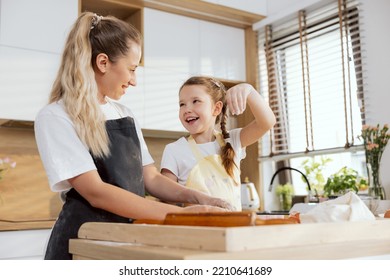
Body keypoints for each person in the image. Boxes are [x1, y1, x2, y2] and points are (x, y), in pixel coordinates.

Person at [34, 12, 232, 260]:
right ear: (103, 63)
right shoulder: (56, 116)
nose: (135, 81)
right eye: (131, 69)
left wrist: (200, 198)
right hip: (84, 241)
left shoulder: (124, 113)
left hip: (128, 236)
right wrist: (181, 215)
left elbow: (150, 178)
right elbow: (96, 192)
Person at [160, 76, 276, 210]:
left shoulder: (233, 141)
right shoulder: (174, 150)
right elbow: (167, 200)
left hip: (232, 227)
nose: (187, 109)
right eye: (182, 104)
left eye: (195, 101)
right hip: (196, 228)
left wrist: (249, 90)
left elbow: (267, 122)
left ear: (216, 108)